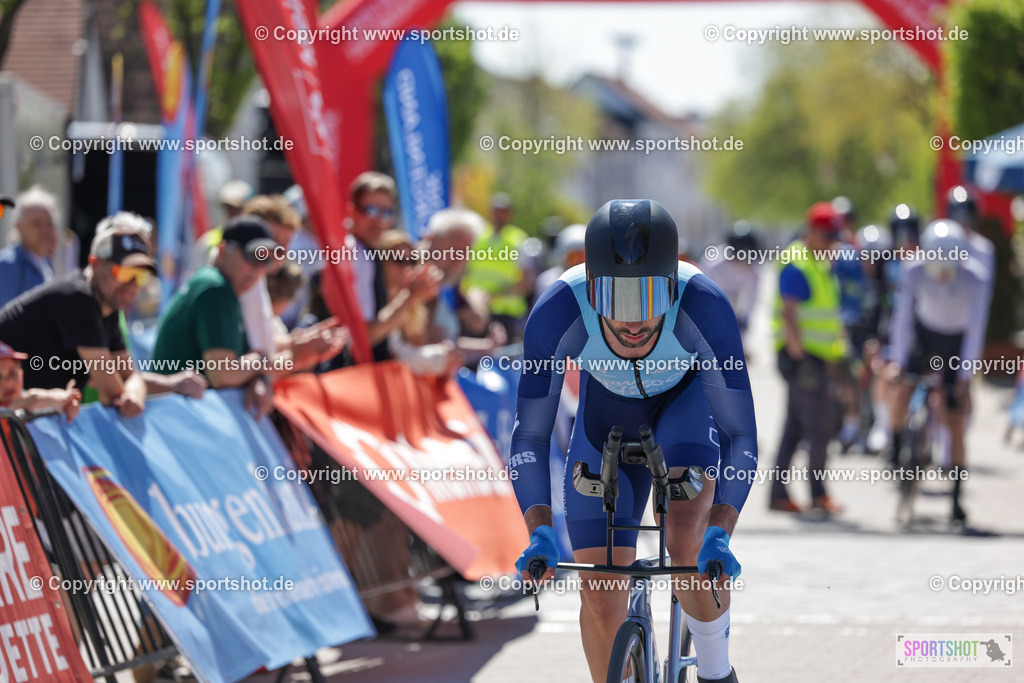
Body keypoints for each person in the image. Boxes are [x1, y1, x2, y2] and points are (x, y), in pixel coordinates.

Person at [510, 200, 754, 683]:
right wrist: (539, 529)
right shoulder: (558, 310)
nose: (635, 322)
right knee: (600, 593)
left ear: (673, 284)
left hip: (684, 408)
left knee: (686, 539)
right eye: (617, 301)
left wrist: (721, 529)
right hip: (606, 419)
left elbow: (739, 433)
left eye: (651, 299)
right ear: (590, 285)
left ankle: (715, 671)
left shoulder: (704, 303)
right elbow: (531, 434)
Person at [152, 217, 347, 418]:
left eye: (266, 261)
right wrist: (291, 357)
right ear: (223, 249)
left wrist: (295, 346)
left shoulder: (219, 286)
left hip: (178, 416)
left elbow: (236, 365)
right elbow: (223, 374)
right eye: (252, 257)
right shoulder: (216, 289)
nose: (258, 270)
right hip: (176, 418)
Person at [0, 215, 159, 417]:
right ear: (95, 263)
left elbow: (130, 377)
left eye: (141, 275)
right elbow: (115, 394)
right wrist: (132, 395)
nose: (133, 285)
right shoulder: (78, 298)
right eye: (125, 272)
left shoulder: (108, 307)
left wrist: (134, 394)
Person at [887, 220, 988, 523]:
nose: (942, 276)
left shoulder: (976, 278)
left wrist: (964, 377)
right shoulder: (913, 270)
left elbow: (976, 329)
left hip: (956, 343)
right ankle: (896, 449)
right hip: (925, 336)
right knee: (902, 390)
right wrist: (898, 360)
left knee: (955, 419)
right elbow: (902, 317)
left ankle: (956, 495)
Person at [768, 202, 847, 513]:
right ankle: (817, 494)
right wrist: (800, 358)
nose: (832, 244)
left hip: (815, 358)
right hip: (803, 360)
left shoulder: (819, 263)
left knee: (795, 428)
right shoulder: (798, 263)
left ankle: (778, 495)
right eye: (828, 237)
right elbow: (788, 314)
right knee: (820, 427)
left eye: (835, 238)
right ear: (812, 232)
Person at [461, 192, 531, 340]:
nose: (500, 215)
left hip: (507, 313)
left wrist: (495, 295)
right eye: (497, 210)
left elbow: (525, 281)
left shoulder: (519, 240)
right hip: (477, 310)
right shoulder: (478, 237)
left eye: (504, 211)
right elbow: (464, 271)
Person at [0, 187, 60, 308]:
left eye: (49, 224)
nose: (45, 230)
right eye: (36, 224)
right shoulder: (8, 265)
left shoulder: (45, 262)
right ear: (19, 227)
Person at [698, 222, 761, 334]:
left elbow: (752, 296)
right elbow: (704, 291)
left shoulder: (752, 269)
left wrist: (744, 317)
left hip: (734, 301)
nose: (744, 262)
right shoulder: (714, 264)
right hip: (713, 299)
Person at [0, 341, 80, 421]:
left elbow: (36, 397)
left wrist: (68, 401)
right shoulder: (21, 402)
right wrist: (65, 399)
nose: (8, 382)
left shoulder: (22, 396)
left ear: (21, 374)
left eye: (12, 373)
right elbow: (33, 400)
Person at [535, 223, 586, 297]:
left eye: (583, 257)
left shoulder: (596, 281)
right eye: (574, 258)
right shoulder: (549, 282)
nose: (579, 263)